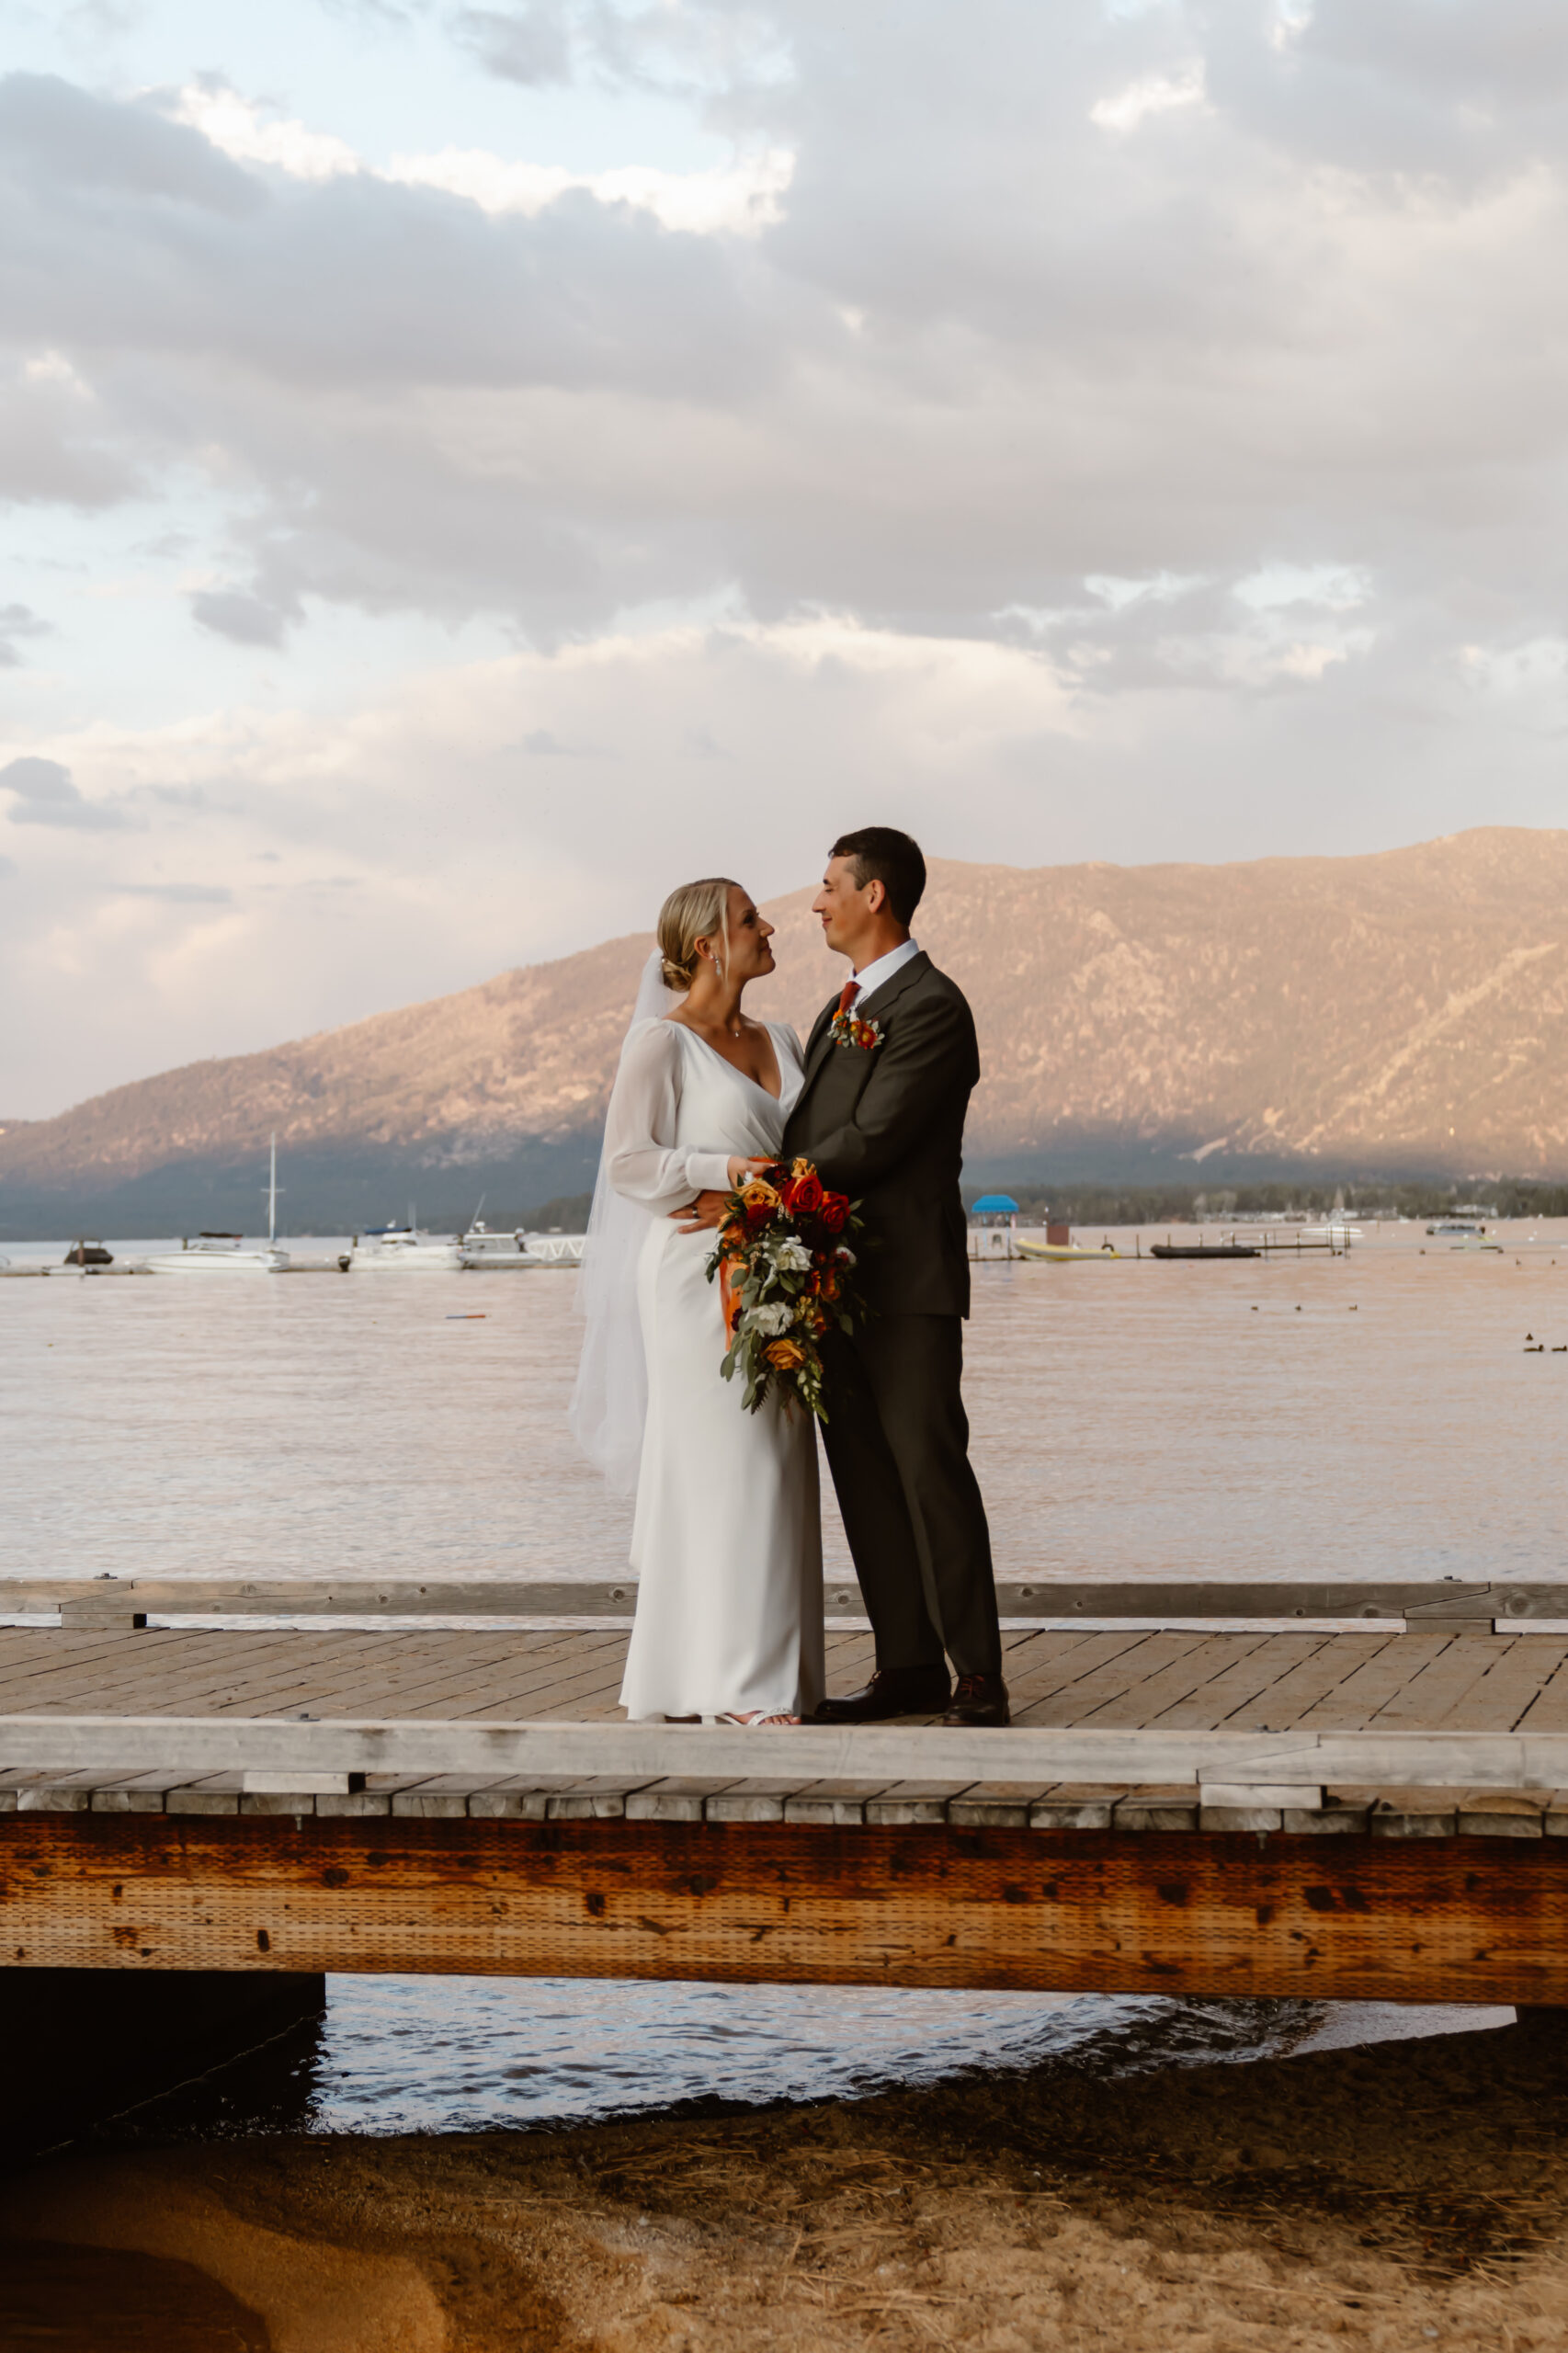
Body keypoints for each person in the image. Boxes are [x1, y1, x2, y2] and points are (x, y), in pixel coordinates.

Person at [569, 877, 824, 1724]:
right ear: (711, 942)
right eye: (752, 919)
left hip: (780, 1265)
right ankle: (738, 1688)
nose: (770, 926)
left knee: (780, 1464)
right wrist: (722, 1175)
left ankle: (756, 1675)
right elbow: (627, 1164)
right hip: (691, 1274)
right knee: (727, 1462)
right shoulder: (661, 1045)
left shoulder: (783, 1038)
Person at [782, 827, 1007, 1728]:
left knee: (927, 1469)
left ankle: (977, 1673)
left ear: (874, 895)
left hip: (906, 1283)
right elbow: (819, 1131)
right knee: (864, 1478)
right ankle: (906, 1662)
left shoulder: (930, 1006)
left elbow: (873, 1139)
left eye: (830, 883)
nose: (815, 899)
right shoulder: (840, 1010)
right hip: (835, 1284)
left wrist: (767, 1183)